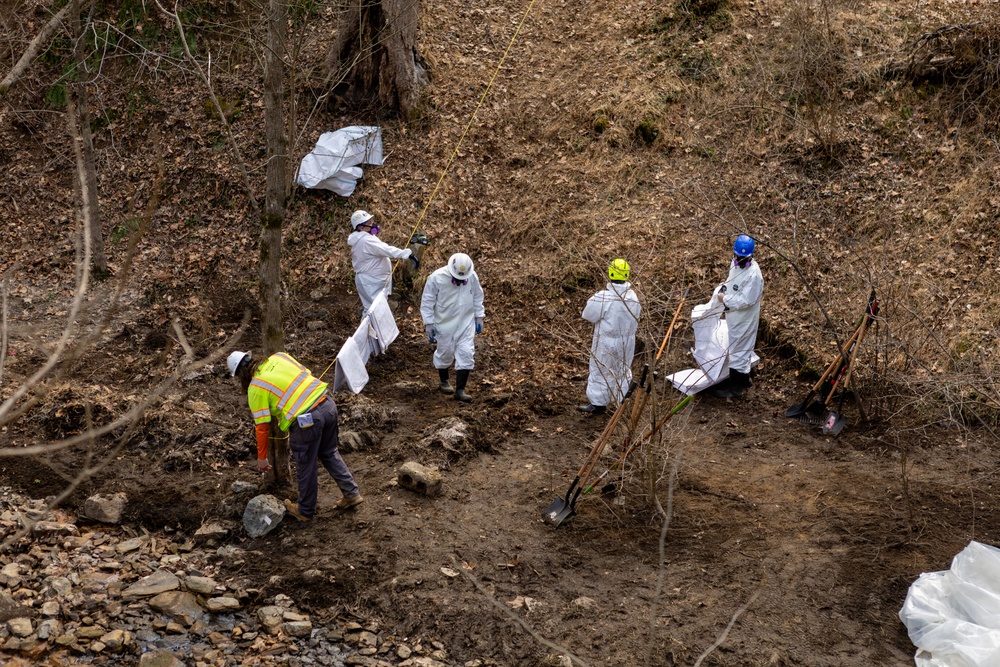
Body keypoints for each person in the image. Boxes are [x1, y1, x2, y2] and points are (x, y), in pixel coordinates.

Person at [228, 350, 362, 521]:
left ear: (240, 374)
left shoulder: (255, 388)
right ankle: (351, 494)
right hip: (327, 404)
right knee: (328, 452)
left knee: (306, 464)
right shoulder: (280, 357)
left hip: (306, 421)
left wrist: (262, 458)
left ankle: (305, 510)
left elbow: (262, 428)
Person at [578, 259, 641, 415]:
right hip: (627, 342)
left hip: (606, 342)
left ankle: (598, 403)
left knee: (601, 369)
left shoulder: (604, 297)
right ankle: (621, 401)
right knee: (622, 369)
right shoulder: (633, 297)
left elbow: (588, 314)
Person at [420, 253, 485, 403]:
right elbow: (427, 301)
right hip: (444, 323)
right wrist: (429, 323)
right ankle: (444, 381)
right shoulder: (436, 278)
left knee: (467, 353)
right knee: (445, 352)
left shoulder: (472, 276)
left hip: (465, 322)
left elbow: (477, 295)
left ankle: (460, 390)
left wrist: (479, 315)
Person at [708, 234, 764, 398]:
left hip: (745, 318)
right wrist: (723, 290)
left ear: (751, 256)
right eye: (737, 256)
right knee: (736, 348)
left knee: (740, 350)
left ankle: (737, 387)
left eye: (743, 258)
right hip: (734, 315)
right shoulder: (735, 265)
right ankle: (741, 379)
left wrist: (725, 299)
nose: (739, 260)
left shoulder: (754, 275)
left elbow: (747, 300)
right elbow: (731, 282)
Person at [347, 209, 418, 315]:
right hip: (371, 281)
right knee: (376, 311)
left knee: (370, 310)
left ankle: (370, 331)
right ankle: (375, 331)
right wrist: (406, 254)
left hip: (369, 280)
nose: (373, 224)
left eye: (371, 221)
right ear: (360, 227)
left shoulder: (362, 238)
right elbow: (386, 250)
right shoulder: (366, 240)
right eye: (369, 223)